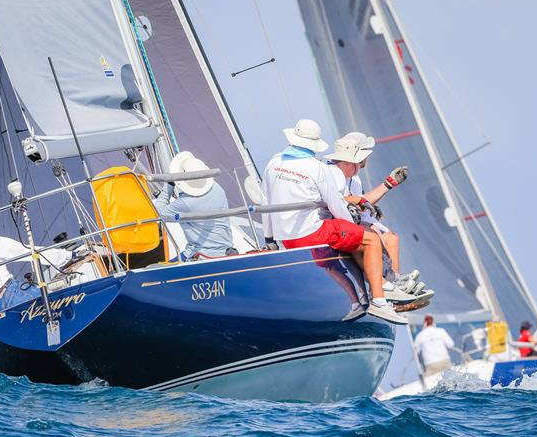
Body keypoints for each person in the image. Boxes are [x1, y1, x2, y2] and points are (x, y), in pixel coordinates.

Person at [260, 119, 409, 324]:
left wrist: (269, 238)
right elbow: (336, 206)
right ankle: (380, 300)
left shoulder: (273, 163)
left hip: (285, 238)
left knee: (355, 238)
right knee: (370, 240)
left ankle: (377, 290)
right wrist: (353, 227)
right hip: (311, 232)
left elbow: (265, 202)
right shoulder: (316, 167)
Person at [326, 131, 424, 295]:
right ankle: (386, 287)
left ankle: (394, 283)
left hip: (352, 220)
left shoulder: (354, 178)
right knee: (374, 235)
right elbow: (342, 200)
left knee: (391, 237)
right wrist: (388, 184)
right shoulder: (332, 173)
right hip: (337, 225)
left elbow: (360, 201)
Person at [154, 151, 235, 261]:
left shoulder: (186, 203)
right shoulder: (217, 188)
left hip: (200, 255)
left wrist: (169, 183)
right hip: (226, 252)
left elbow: (158, 213)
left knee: (157, 270)